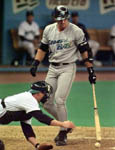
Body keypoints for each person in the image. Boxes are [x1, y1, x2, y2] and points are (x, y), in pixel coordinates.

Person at [30, 5, 96, 146]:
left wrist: (91, 70)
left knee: (60, 100)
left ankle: (62, 132)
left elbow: (85, 51)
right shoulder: (49, 30)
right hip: (52, 68)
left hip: (68, 68)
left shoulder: (76, 31)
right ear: (55, 18)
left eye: (65, 19)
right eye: (60, 20)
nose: (63, 22)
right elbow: (42, 48)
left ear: (68, 18)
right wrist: (35, 63)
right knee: (46, 102)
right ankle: (65, 124)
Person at [0, 81, 75, 150]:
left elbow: (27, 129)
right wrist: (62, 124)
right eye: (45, 93)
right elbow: (41, 118)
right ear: (38, 93)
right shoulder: (29, 99)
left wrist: (37, 146)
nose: (47, 96)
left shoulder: (28, 107)